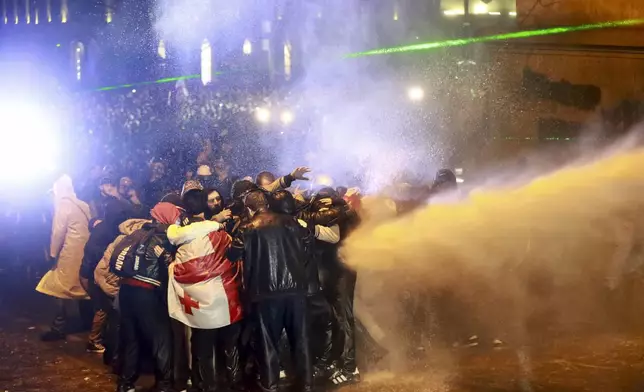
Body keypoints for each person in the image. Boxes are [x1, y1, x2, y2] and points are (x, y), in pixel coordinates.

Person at [229, 190, 313, 392]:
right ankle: (307, 384)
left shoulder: (247, 228)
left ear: (249, 208)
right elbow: (307, 244)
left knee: (268, 343)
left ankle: (270, 385)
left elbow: (232, 254)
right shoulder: (291, 222)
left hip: (265, 291)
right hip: (296, 289)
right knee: (301, 339)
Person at [167, 182, 242, 392]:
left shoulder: (180, 238)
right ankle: (233, 383)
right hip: (225, 299)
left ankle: (204, 385)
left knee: (202, 346)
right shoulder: (221, 234)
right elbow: (234, 261)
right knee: (230, 345)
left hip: (199, 306)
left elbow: (179, 270)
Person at [115, 202, 180, 392]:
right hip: (147, 293)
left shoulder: (138, 232)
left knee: (132, 338)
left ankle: (125, 383)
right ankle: (164, 384)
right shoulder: (165, 236)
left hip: (126, 291)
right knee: (161, 339)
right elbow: (168, 266)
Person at [37, 174, 92, 342]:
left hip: (68, 254)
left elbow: (58, 232)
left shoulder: (63, 205)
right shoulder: (83, 205)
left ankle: (58, 327)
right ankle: (88, 322)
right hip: (84, 253)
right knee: (84, 288)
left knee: (57, 288)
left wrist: (53, 254)